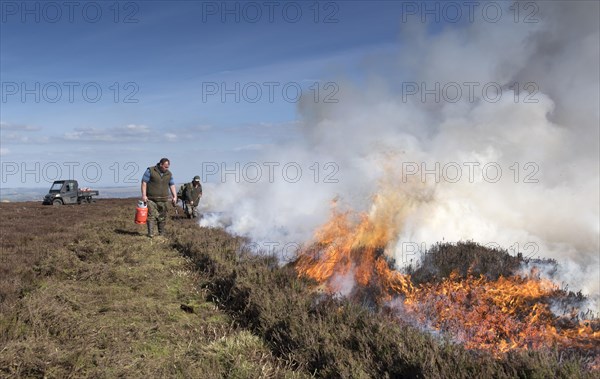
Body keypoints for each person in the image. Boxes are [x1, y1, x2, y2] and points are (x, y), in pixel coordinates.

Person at [141, 158, 177, 238]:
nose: (167, 168)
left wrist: (174, 196)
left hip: (164, 200)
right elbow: (144, 182)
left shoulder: (169, 174)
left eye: (168, 167)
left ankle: (161, 234)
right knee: (152, 216)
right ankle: (150, 235)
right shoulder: (150, 170)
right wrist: (144, 195)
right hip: (151, 199)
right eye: (165, 166)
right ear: (161, 165)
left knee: (162, 217)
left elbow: (172, 185)